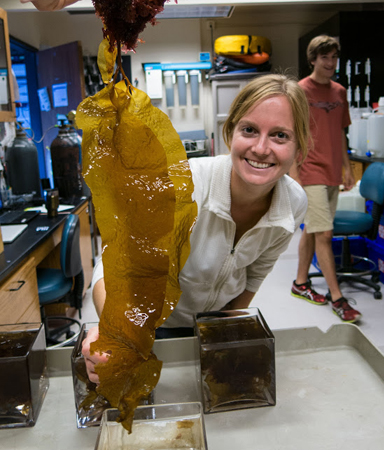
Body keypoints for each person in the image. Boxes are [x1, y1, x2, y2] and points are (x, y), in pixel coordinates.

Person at [82, 73, 311, 383]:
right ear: (230, 132)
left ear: (300, 147)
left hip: (212, 322)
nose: (260, 147)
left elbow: (256, 272)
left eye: (280, 135)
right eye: (249, 130)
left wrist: (221, 332)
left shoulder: (293, 203)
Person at [289, 35, 361, 323]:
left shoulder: (339, 92)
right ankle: (338, 298)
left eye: (334, 57)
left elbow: (340, 133)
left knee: (313, 229)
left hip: (332, 171)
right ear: (313, 59)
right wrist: (293, 173)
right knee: (324, 234)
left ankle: (300, 283)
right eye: (325, 57)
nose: (331, 63)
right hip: (310, 169)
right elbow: (292, 133)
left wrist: (348, 168)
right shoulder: (299, 91)